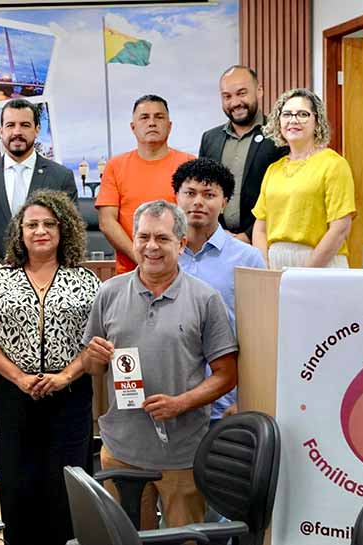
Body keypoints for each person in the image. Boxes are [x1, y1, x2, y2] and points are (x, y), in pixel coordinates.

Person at [0, 190, 114, 545]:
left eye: (49, 224)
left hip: (71, 397)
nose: (40, 231)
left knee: (67, 487)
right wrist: (18, 377)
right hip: (17, 397)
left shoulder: (87, 281)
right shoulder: (0, 280)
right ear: (20, 233)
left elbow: (95, 341)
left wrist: (64, 376)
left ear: (64, 230)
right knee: (18, 486)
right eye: (31, 225)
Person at [83, 200, 238, 530]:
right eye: (143, 237)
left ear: (181, 244)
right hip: (121, 450)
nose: (151, 246)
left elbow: (227, 375)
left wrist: (180, 403)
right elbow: (94, 368)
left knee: (185, 538)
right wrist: (92, 360)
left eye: (162, 238)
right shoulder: (109, 293)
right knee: (126, 538)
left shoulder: (205, 299)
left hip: (181, 453)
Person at [173, 158, 265, 423]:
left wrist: (246, 398)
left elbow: (261, 335)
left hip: (226, 402)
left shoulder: (247, 259)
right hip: (171, 399)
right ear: (176, 197)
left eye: (209, 195)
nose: (198, 202)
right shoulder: (162, 256)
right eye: (190, 193)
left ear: (224, 202)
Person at [253, 88, 356, 269]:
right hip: (274, 264)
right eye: (286, 114)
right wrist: (265, 266)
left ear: (317, 121)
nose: (293, 120)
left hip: (320, 263)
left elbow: (340, 229)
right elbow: (260, 228)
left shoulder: (334, 164)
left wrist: (306, 273)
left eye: (302, 114)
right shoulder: (273, 170)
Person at [0, 98, 78, 260]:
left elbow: (69, 232)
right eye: (10, 125)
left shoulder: (61, 177)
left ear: (37, 130)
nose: (17, 132)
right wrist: (1, 269)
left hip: (46, 271)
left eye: (25, 125)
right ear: (1, 130)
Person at [96, 95, 194, 275]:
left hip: (181, 271)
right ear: (133, 127)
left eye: (159, 117)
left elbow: (195, 219)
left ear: (169, 126)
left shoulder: (189, 164)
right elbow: (107, 221)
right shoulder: (115, 166)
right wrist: (141, 257)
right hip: (130, 273)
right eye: (144, 117)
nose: (152, 123)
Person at [199, 66, 288, 242]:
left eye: (241, 93)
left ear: (259, 91)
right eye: (227, 96)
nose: (235, 102)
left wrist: (247, 236)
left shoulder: (280, 136)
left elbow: (283, 196)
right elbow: (203, 191)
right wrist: (216, 234)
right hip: (216, 242)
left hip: (265, 242)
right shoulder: (210, 139)